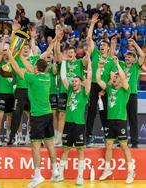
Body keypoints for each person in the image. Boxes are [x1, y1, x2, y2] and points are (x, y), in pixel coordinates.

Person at [7, 50, 60, 188]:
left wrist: (12, 56)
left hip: (38, 116)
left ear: (36, 68)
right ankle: (55, 170)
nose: (32, 67)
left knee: (35, 146)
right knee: (50, 144)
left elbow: (18, 69)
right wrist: (19, 55)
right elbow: (30, 67)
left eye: (34, 66)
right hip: (48, 114)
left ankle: (37, 176)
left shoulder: (32, 78)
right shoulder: (46, 77)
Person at [97, 56, 135, 184]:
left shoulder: (126, 90)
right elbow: (98, 80)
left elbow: (124, 78)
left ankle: (130, 171)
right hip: (110, 120)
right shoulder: (109, 89)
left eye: (116, 77)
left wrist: (117, 64)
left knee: (124, 146)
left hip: (120, 121)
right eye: (113, 77)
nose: (114, 78)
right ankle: (107, 169)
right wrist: (99, 68)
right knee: (108, 145)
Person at [55, 52, 92, 185]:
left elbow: (89, 78)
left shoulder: (84, 93)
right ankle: (60, 174)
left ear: (80, 83)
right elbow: (63, 76)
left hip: (79, 125)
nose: (73, 82)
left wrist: (90, 65)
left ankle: (80, 176)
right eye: (73, 81)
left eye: (76, 81)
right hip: (68, 124)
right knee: (65, 149)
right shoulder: (69, 90)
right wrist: (64, 61)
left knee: (80, 149)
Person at [85, 14, 117, 146]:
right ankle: (88, 137)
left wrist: (105, 89)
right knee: (91, 111)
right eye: (101, 44)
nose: (102, 46)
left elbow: (113, 77)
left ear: (108, 48)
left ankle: (108, 137)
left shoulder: (110, 61)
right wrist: (92, 24)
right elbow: (88, 39)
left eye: (105, 45)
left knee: (105, 113)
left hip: (104, 88)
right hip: (93, 85)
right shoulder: (96, 54)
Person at [119, 39, 145, 148]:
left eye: (130, 56)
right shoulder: (121, 65)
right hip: (121, 95)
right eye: (126, 56)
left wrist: (134, 44)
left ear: (134, 59)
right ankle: (122, 141)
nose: (127, 58)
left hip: (132, 95)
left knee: (133, 119)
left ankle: (134, 142)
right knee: (122, 119)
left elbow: (142, 55)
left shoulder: (135, 67)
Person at [0, 35, 14, 146]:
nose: (6, 56)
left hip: (11, 94)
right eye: (5, 54)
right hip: (0, 93)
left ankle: (7, 137)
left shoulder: (13, 65)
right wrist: (5, 40)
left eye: (8, 54)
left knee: (10, 117)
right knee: (0, 116)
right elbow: (0, 52)